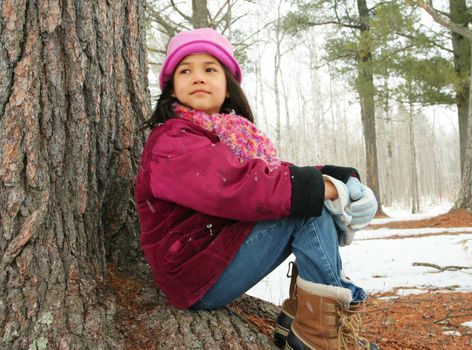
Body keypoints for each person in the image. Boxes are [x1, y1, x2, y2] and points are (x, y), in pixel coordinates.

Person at [135, 28, 379, 350]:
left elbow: (272, 175)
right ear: (171, 87)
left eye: (210, 69)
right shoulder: (172, 142)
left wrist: (342, 179)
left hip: (213, 258)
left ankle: (305, 321)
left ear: (228, 84)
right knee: (306, 205)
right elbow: (238, 186)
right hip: (194, 275)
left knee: (306, 198)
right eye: (185, 70)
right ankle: (318, 336)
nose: (197, 77)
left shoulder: (231, 135)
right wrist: (324, 189)